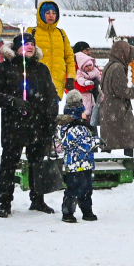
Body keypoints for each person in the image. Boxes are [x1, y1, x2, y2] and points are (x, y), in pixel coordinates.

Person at [0, 34, 60, 217]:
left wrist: (51, 119)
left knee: (38, 164)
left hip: (38, 124)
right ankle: (5, 203)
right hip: (14, 125)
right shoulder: (3, 69)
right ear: (16, 48)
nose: (29, 47)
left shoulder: (41, 69)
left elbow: (51, 96)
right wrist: (12, 101)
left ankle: (38, 199)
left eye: (32, 44)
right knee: (9, 164)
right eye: (25, 44)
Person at [96, 40, 134, 181]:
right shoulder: (118, 67)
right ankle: (131, 169)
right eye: (129, 53)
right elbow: (121, 90)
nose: (131, 57)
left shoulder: (109, 65)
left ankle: (104, 169)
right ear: (123, 53)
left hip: (108, 108)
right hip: (118, 110)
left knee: (108, 141)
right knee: (128, 140)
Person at [55, 90, 99, 223]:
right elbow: (84, 145)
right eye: (83, 111)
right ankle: (70, 212)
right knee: (76, 189)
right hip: (77, 164)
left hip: (80, 164)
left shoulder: (68, 127)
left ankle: (86, 211)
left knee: (82, 189)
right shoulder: (77, 128)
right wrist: (96, 141)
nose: (86, 114)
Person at [28, 0, 75, 97]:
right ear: (41, 14)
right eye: (47, 13)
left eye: (54, 13)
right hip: (36, 82)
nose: (51, 15)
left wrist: (70, 77)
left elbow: (69, 57)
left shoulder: (61, 33)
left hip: (57, 83)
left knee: (53, 110)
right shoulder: (32, 32)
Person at [72, 42, 103, 121]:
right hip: (78, 102)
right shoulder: (72, 66)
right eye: (86, 50)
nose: (89, 53)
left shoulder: (92, 65)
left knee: (92, 126)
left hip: (93, 100)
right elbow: (71, 86)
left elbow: (99, 76)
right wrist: (92, 86)